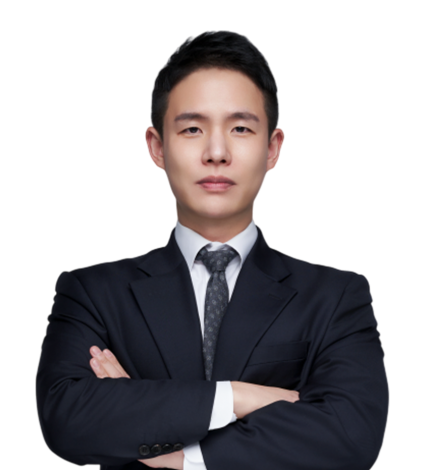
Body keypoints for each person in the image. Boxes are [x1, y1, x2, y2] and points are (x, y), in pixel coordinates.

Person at [37, 30, 387, 469]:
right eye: (192, 129)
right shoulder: (94, 293)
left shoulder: (335, 298)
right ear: (157, 148)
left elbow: (351, 434)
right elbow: (68, 418)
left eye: (240, 128)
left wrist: (182, 455)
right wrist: (237, 396)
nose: (217, 152)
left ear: (273, 148)